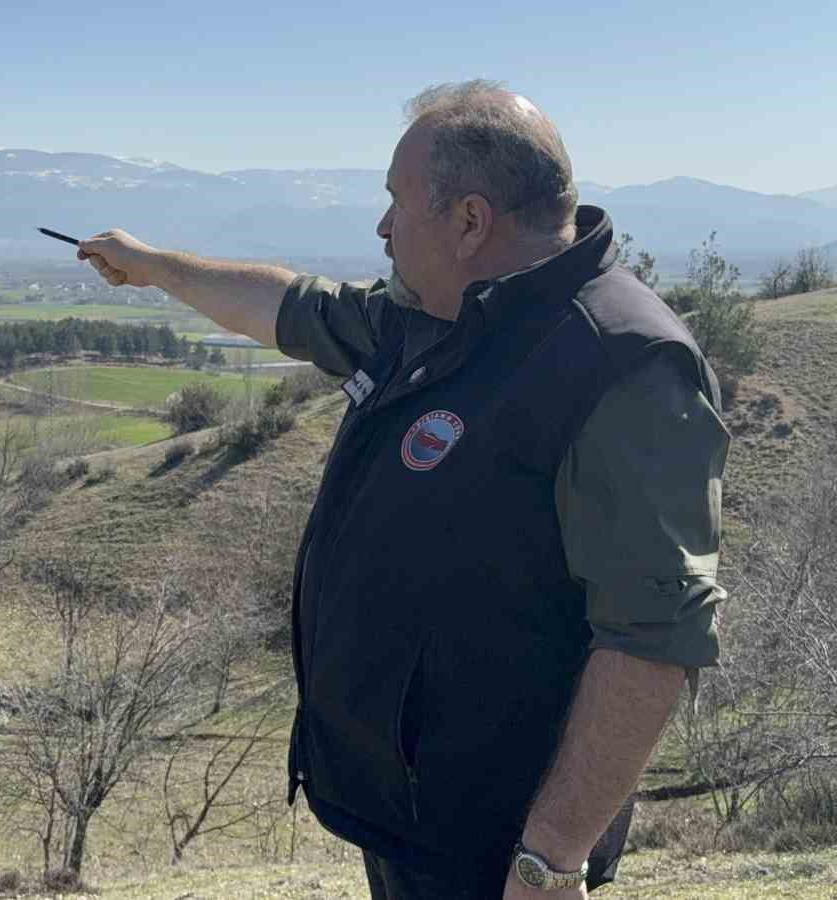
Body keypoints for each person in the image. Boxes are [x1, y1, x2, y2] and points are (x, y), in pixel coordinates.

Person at [76, 80, 727, 899]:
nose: (382, 229)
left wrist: (550, 860)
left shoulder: (621, 365)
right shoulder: (436, 314)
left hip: (499, 848)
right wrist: (155, 268)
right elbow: (290, 306)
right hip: (409, 811)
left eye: (396, 203)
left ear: (469, 221)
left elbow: (651, 638)